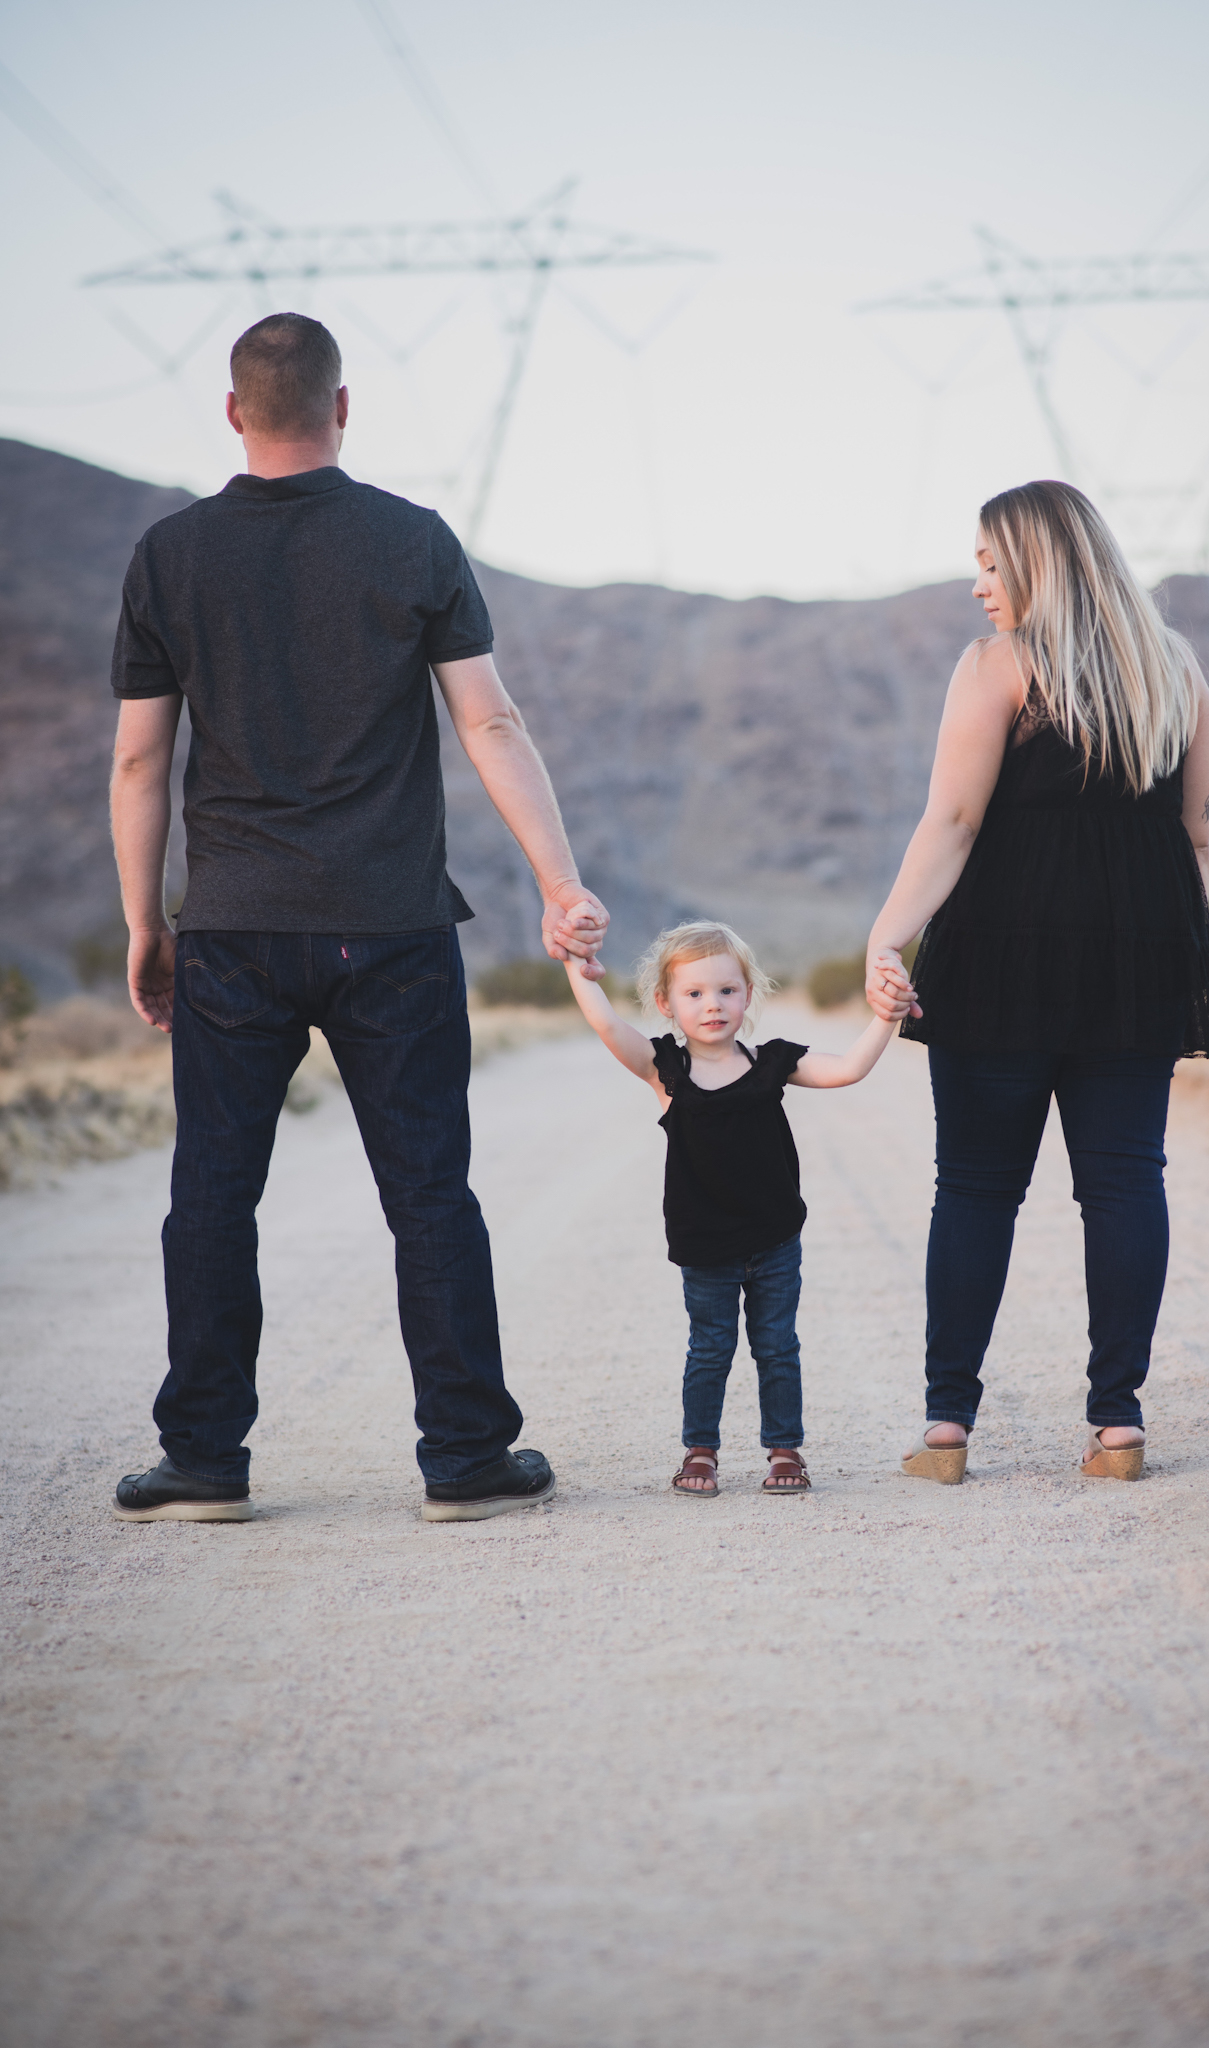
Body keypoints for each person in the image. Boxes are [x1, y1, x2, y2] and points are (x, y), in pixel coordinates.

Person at [108, 312, 607, 1525]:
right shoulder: (412, 540)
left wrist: (145, 924)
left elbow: (137, 760)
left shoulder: (170, 555)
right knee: (430, 1191)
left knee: (214, 1193)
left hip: (231, 924)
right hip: (389, 926)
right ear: (343, 406)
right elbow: (490, 724)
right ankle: (465, 1457)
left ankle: (205, 1460)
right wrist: (557, 878)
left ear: (234, 411)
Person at [866, 480, 1209, 1485]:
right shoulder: (1175, 668)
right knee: (1122, 1183)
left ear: (1038, 560)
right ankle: (1116, 1425)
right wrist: (1165, 946)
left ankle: (946, 1428)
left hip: (1001, 956)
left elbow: (952, 822)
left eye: (991, 562)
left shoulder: (997, 666)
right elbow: (1195, 832)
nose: (976, 583)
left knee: (976, 1188)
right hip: (1135, 964)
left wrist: (884, 937)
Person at [562, 918, 897, 1496]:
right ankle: (700, 1452)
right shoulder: (666, 1070)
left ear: (748, 994)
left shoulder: (773, 1064)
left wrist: (886, 1016)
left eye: (726, 990)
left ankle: (784, 1450)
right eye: (694, 994)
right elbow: (605, 1024)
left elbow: (847, 1069)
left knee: (778, 1348)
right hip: (705, 1247)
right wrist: (577, 966)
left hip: (773, 1241)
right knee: (710, 1349)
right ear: (666, 1003)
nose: (712, 1005)